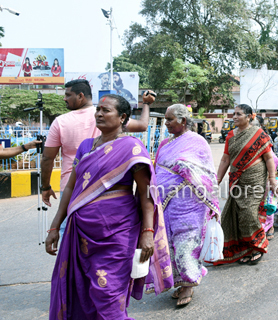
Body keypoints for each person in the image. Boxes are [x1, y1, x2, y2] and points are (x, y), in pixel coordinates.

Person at [45, 94, 173, 319]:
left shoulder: (132, 147)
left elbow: (145, 194)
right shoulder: (86, 146)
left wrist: (147, 232)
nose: (99, 114)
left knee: (108, 291)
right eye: (98, 110)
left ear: (122, 117)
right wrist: (55, 226)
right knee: (82, 290)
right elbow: (70, 188)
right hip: (81, 231)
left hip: (118, 232)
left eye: (106, 111)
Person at [41, 79, 152, 208]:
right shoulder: (110, 115)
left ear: (80, 96)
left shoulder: (61, 122)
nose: (65, 99)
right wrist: (146, 104)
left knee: (69, 227)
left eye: (68, 95)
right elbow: (142, 125)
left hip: (74, 188)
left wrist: (45, 187)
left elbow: (47, 158)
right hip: (102, 186)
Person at [155, 104, 219, 306]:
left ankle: (189, 284)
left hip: (190, 202)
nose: (166, 123)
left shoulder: (197, 141)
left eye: (170, 119)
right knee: (169, 241)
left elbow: (207, 173)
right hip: (165, 202)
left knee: (186, 244)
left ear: (183, 120)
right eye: (165, 119)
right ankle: (179, 281)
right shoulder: (165, 144)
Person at [214, 104, 277, 265]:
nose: (234, 117)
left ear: (249, 116)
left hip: (254, 179)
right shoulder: (230, 135)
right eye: (233, 114)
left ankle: (258, 246)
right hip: (236, 181)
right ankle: (246, 249)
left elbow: (269, 158)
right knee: (236, 215)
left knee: (248, 213)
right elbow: (225, 159)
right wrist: (217, 180)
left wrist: (272, 179)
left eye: (238, 114)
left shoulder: (258, 134)